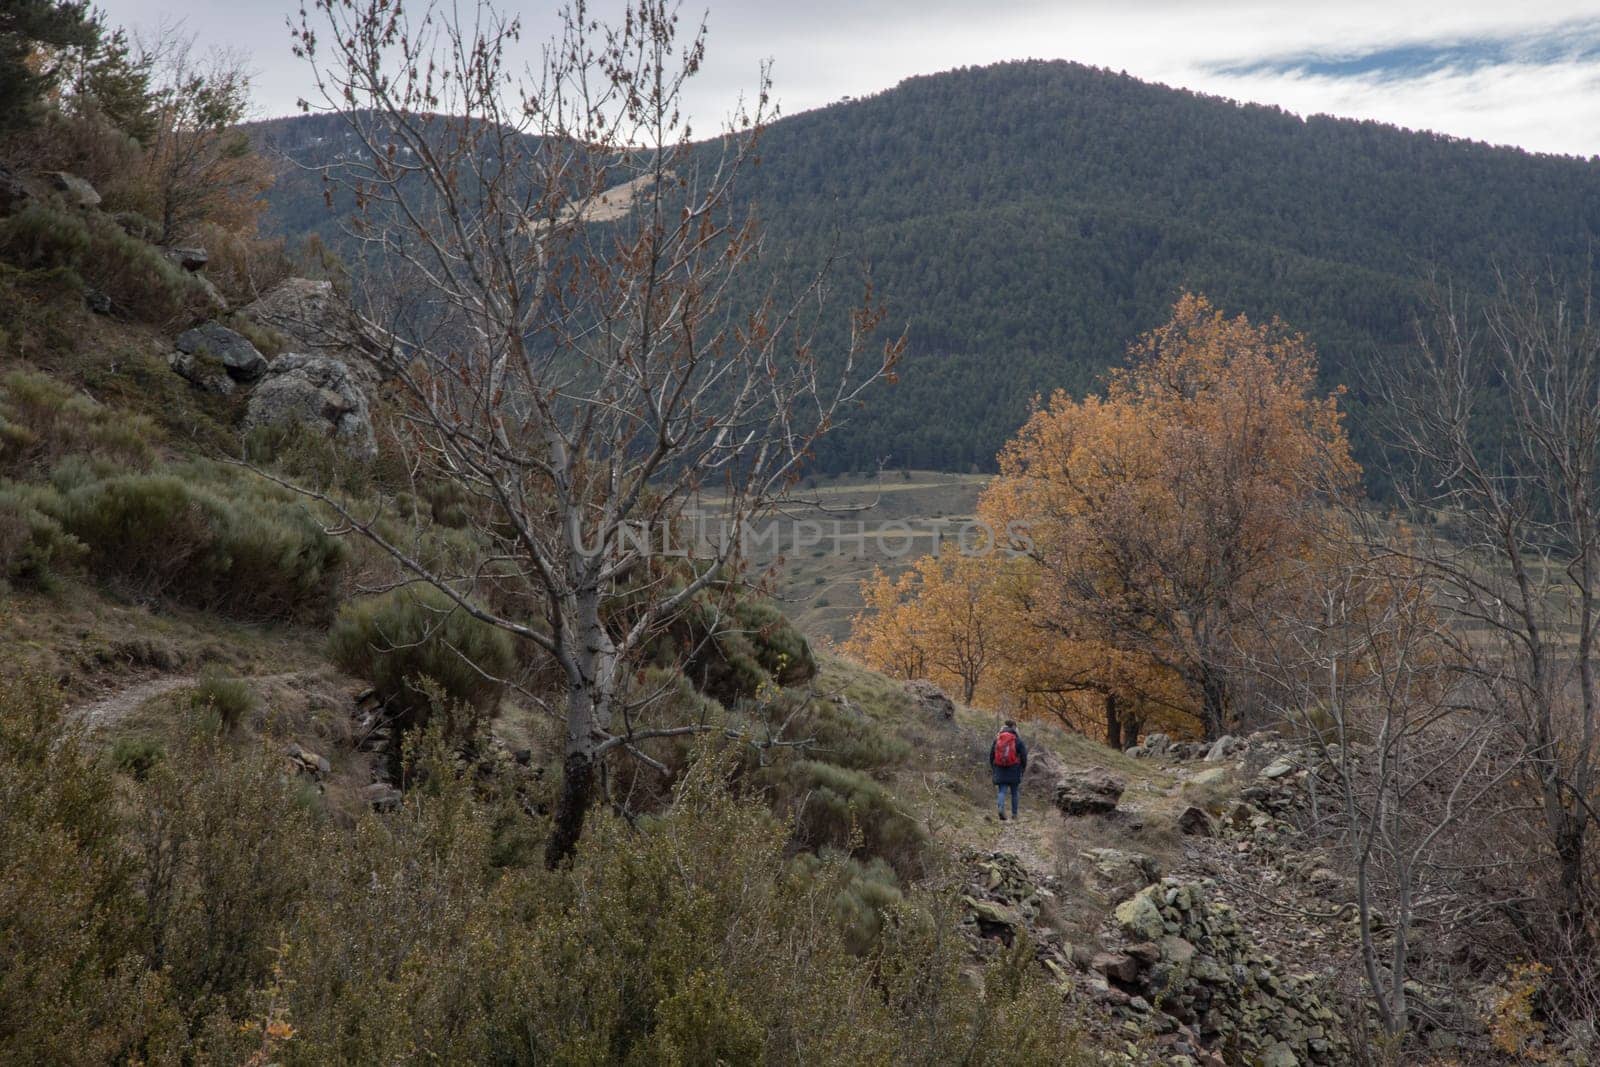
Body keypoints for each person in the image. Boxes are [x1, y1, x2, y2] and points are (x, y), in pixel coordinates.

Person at [990, 719, 1027, 821]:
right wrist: (1023, 768)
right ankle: (1014, 814)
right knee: (1014, 792)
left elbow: (991, 755)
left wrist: (994, 768)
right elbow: (1024, 755)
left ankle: (1001, 808)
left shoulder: (998, 739)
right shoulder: (1017, 740)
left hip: (1000, 768)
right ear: (1014, 727)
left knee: (1002, 791)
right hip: (1014, 768)